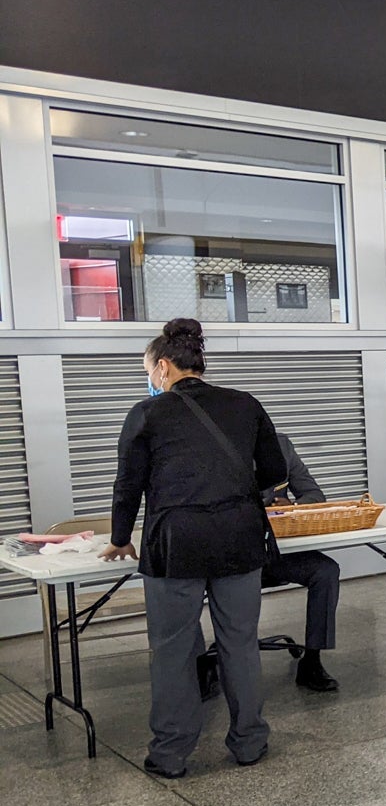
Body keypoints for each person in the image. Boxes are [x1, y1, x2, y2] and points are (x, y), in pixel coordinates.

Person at [101, 318, 287, 779]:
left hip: (175, 542)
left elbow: (128, 486)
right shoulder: (245, 405)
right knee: (239, 642)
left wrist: (120, 538)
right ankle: (249, 742)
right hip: (240, 539)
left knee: (172, 648)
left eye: (149, 370)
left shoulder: (147, 413)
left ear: (163, 367)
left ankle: (169, 754)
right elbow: (273, 473)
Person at [197, 434, 341, 695]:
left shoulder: (281, 445)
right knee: (184, 579)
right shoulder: (212, 449)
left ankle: (312, 661)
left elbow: (315, 495)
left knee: (326, 570)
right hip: (230, 558)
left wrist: (293, 506)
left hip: (272, 555)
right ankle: (201, 664)